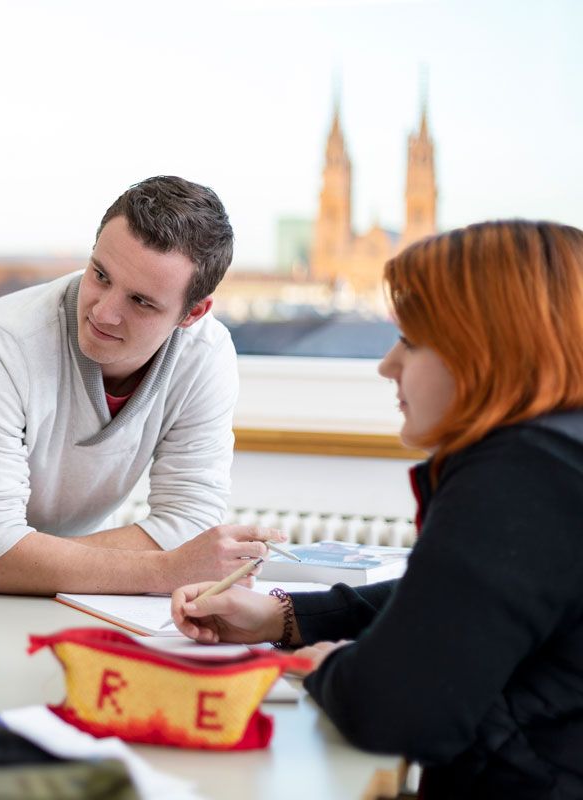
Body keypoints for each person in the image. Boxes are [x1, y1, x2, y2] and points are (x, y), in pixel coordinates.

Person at [169, 221, 583, 798]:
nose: (387, 365)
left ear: (487, 348)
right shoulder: (561, 457)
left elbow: (395, 706)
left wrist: (333, 668)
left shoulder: (521, 474)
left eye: (411, 340)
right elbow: (460, 599)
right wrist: (283, 615)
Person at [0, 175, 285, 596]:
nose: (104, 312)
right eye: (100, 275)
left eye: (140, 301)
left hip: (20, 537)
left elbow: (190, 522)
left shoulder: (206, 355)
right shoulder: (0, 339)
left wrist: (16, 556)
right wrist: (164, 571)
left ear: (192, 313)